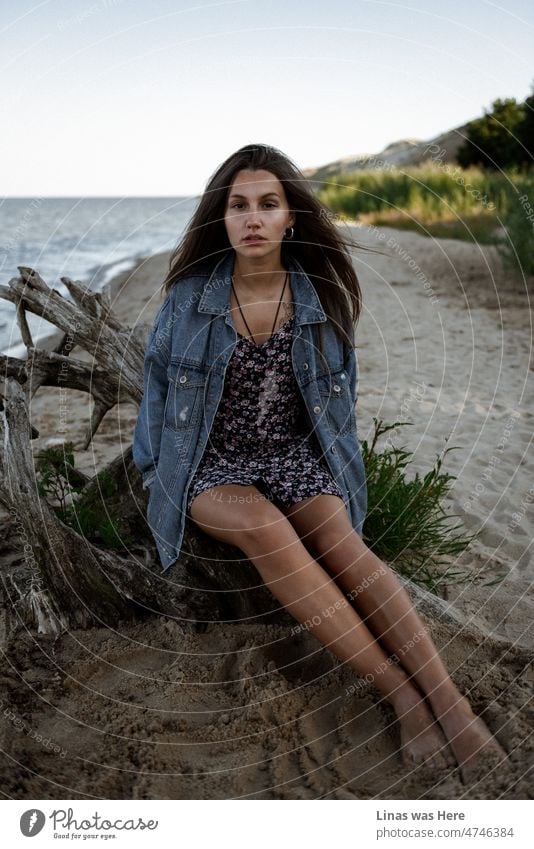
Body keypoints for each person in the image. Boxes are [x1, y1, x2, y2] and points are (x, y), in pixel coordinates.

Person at [133, 143, 506, 784]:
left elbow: (338, 411)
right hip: (208, 463)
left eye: (268, 205)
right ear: (220, 220)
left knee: (343, 544)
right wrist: (154, 476)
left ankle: (451, 702)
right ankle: (402, 693)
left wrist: (331, 480)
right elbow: (157, 395)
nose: (253, 218)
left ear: (291, 219)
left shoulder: (318, 301)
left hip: (293, 456)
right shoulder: (188, 301)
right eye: (238, 206)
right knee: (270, 532)